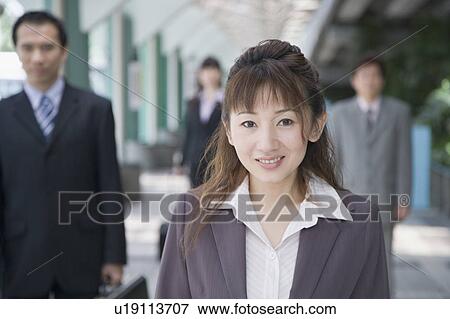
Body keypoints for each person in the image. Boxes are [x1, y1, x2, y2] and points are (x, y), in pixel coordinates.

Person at [156, 39, 389, 298]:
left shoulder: (361, 222)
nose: (267, 144)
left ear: (316, 125)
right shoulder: (190, 215)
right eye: (249, 123)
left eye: (285, 121)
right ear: (228, 130)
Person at [0, 11, 126, 298]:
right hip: (19, 256)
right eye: (28, 47)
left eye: (47, 47)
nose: (38, 58)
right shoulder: (3, 114)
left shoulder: (96, 110)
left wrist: (114, 255)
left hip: (82, 254)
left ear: (64, 51)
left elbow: (109, 184)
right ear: (17, 51)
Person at [331, 57, 412, 284]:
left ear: (382, 80)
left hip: (384, 201)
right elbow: (334, 159)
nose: (370, 81)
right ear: (354, 81)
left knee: (383, 264)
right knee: (348, 263)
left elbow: (404, 158)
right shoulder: (339, 113)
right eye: (364, 75)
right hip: (348, 201)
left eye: (375, 75)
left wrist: (404, 199)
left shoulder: (399, 113)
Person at [181, 57, 223, 188]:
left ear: (219, 74)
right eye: (206, 71)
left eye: (213, 70)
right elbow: (188, 132)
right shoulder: (193, 103)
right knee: (196, 197)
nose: (209, 75)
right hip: (195, 160)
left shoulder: (226, 101)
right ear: (200, 75)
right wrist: (183, 161)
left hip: (217, 159)